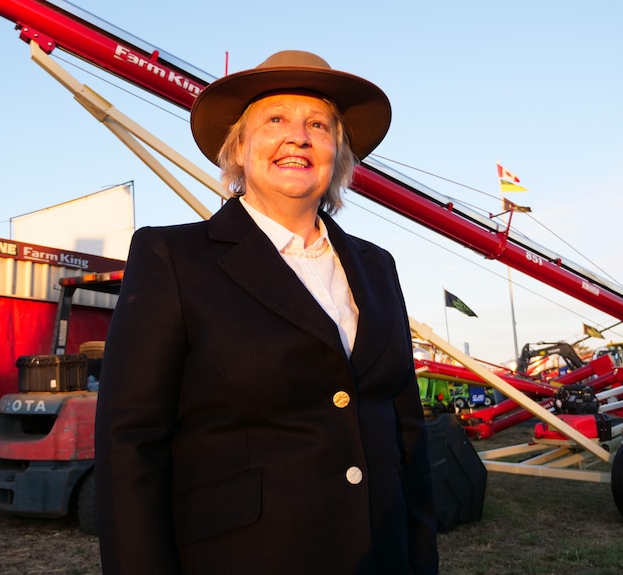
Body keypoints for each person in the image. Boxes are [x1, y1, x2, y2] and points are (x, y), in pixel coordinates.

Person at [95, 49, 438, 575]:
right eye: (275, 120)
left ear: (337, 153)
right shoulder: (172, 257)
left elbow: (405, 429)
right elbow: (130, 444)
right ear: (239, 148)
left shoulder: (378, 266)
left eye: (318, 125)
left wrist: (419, 559)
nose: (297, 136)